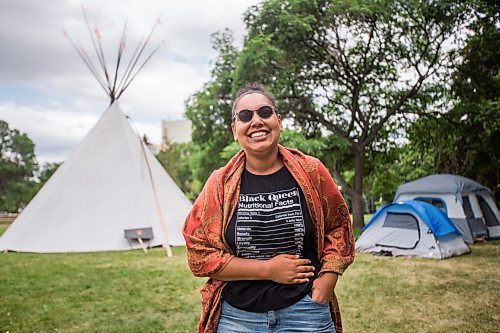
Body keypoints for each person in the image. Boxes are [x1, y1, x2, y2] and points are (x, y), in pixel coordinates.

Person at [183, 83, 355, 333]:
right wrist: (268, 270)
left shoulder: (311, 171)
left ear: (279, 121)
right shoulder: (219, 184)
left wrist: (328, 278)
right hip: (237, 318)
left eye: (265, 112)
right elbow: (198, 253)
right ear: (235, 130)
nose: (256, 121)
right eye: (245, 116)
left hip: (305, 311)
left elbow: (339, 225)